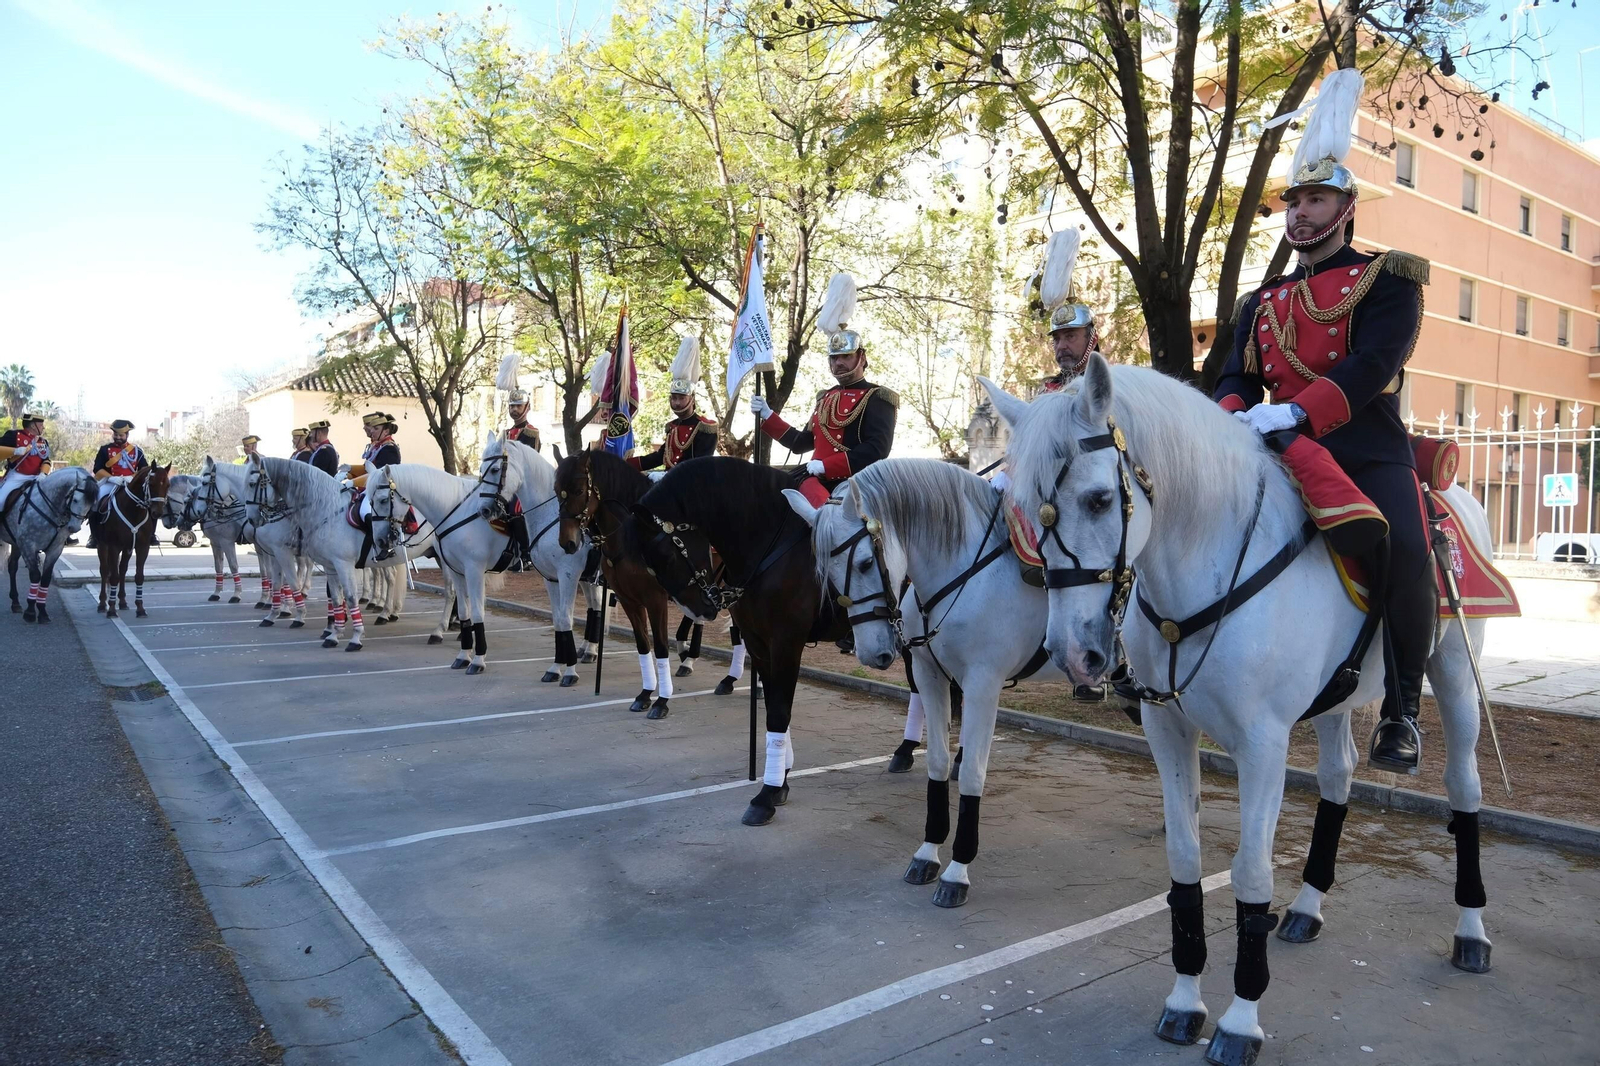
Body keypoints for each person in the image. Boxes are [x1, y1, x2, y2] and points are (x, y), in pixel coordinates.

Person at [1214, 69, 1429, 772]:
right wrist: (1238, 416)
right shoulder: (1261, 300)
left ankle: (1401, 709)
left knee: (1405, 549)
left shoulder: (1390, 279)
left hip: (1364, 450)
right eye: (1295, 200)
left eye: (1316, 198)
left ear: (1346, 205)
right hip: (1269, 451)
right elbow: (1234, 375)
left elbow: (1372, 367)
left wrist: (1298, 411)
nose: (1300, 212)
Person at [750, 272, 897, 508]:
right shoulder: (826, 397)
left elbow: (877, 449)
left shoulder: (878, 397)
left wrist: (828, 466)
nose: (839, 363)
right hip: (815, 481)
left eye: (845, 356)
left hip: (855, 485)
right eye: (834, 357)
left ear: (861, 357)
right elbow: (801, 443)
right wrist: (768, 416)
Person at [630, 335, 716, 473]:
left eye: (681, 398)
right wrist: (625, 463)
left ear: (692, 399)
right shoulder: (672, 426)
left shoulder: (705, 428)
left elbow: (700, 465)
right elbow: (659, 457)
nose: (676, 403)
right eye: (674, 398)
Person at [87, 419, 149, 549]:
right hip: (111, 482)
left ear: (127, 435)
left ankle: (150, 534)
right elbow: (97, 469)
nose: (118, 438)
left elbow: (144, 469)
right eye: (116, 435)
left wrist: (132, 477)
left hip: (131, 483)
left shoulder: (137, 451)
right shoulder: (105, 449)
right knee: (95, 502)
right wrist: (112, 478)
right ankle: (94, 535)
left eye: (121, 435)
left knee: (148, 502)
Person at [0, 411, 52, 516]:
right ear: (33, 425)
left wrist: (43, 474)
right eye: (41, 425)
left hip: (38, 478)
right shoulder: (15, 435)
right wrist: (15, 451)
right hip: (17, 476)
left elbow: (46, 460)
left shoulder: (43, 442)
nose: (43, 427)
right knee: (0, 501)